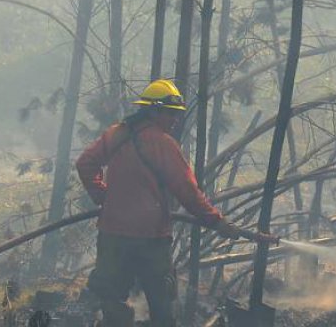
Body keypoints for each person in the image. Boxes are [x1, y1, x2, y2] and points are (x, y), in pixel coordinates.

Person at [76, 79, 243, 327]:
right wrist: (217, 221)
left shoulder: (117, 134)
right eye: (170, 113)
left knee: (112, 299)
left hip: (112, 234)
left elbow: (85, 163)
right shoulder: (163, 144)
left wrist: (103, 195)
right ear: (153, 111)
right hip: (150, 238)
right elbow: (188, 192)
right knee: (162, 305)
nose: (175, 120)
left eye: (176, 114)